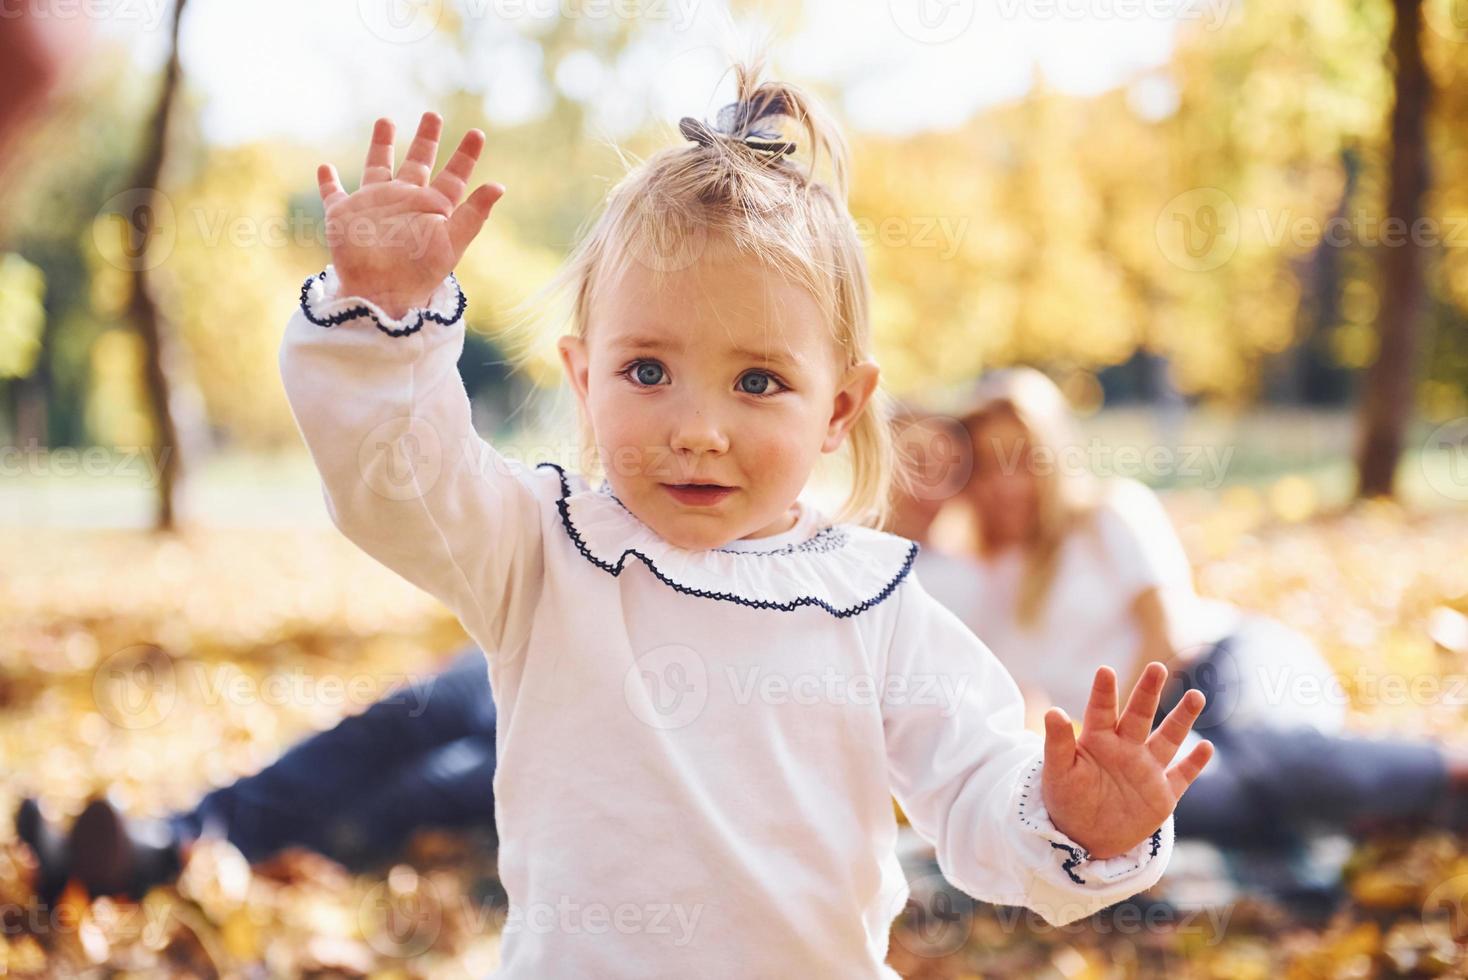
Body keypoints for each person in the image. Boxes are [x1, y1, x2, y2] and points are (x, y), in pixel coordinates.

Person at [275, 59, 1214, 976]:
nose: (698, 431)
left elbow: (974, 781)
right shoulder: (539, 547)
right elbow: (395, 483)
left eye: (758, 381)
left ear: (840, 410)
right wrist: (380, 326)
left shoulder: (870, 599)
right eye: (647, 371)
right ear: (582, 376)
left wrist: (1072, 821)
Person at [894, 368, 1468, 863]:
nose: (1006, 486)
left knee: (1271, 752)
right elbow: (898, 574)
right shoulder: (973, 578)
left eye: (1021, 461)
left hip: (1223, 666)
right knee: (1176, 804)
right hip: (1145, 741)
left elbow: (1164, 634)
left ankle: (1447, 770)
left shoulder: (1107, 514)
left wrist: (1116, 744)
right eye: (988, 468)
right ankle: (1372, 807)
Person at [16, 645, 499, 905]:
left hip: (561, 749)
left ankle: (166, 864)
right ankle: (165, 837)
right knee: (392, 718)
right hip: (524, 663)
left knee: (421, 789)